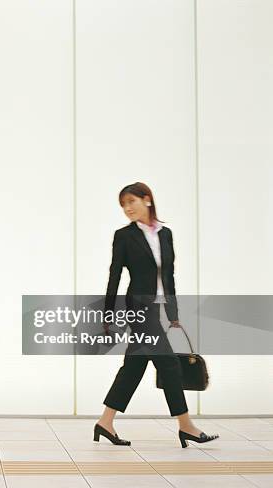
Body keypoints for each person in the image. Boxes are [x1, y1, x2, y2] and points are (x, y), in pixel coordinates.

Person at [94, 182, 218, 449]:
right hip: (138, 309)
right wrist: (108, 313)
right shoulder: (124, 236)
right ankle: (186, 427)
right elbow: (114, 275)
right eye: (123, 204)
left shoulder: (165, 233)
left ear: (146, 199)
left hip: (157, 308)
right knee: (169, 364)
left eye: (131, 201)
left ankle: (105, 422)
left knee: (134, 368)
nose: (127, 208)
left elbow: (169, 275)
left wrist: (172, 312)